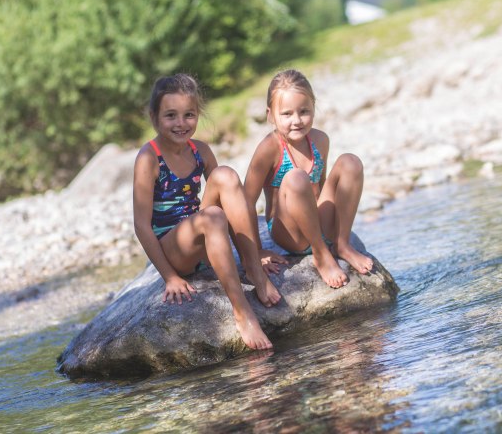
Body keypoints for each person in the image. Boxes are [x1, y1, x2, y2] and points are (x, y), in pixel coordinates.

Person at [133, 73, 284, 350]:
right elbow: (141, 225)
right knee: (213, 216)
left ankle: (253, 268)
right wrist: (169, 276)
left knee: (226, 175)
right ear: (154, 117)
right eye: (171, 116)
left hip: (204, 231)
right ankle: (242, 312)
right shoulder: (148, 158)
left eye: (189, 115)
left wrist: (257, 250)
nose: (181, 123)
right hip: (176, 248)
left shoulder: (200, 150)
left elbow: (232, 198)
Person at [244, 69, 374, 288]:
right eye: (286, 114)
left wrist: (335, 221)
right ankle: (321, 255)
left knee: (350, 161)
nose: (296, 120)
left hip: (321, 225)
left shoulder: (320, 140)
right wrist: (256, 250)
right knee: (296, 178)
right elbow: (245, 201)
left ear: (314, 107)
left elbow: (323, 188)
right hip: (291, 233)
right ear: (270, 115)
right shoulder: (269, 148)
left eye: (304, 111)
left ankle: (342, 244)